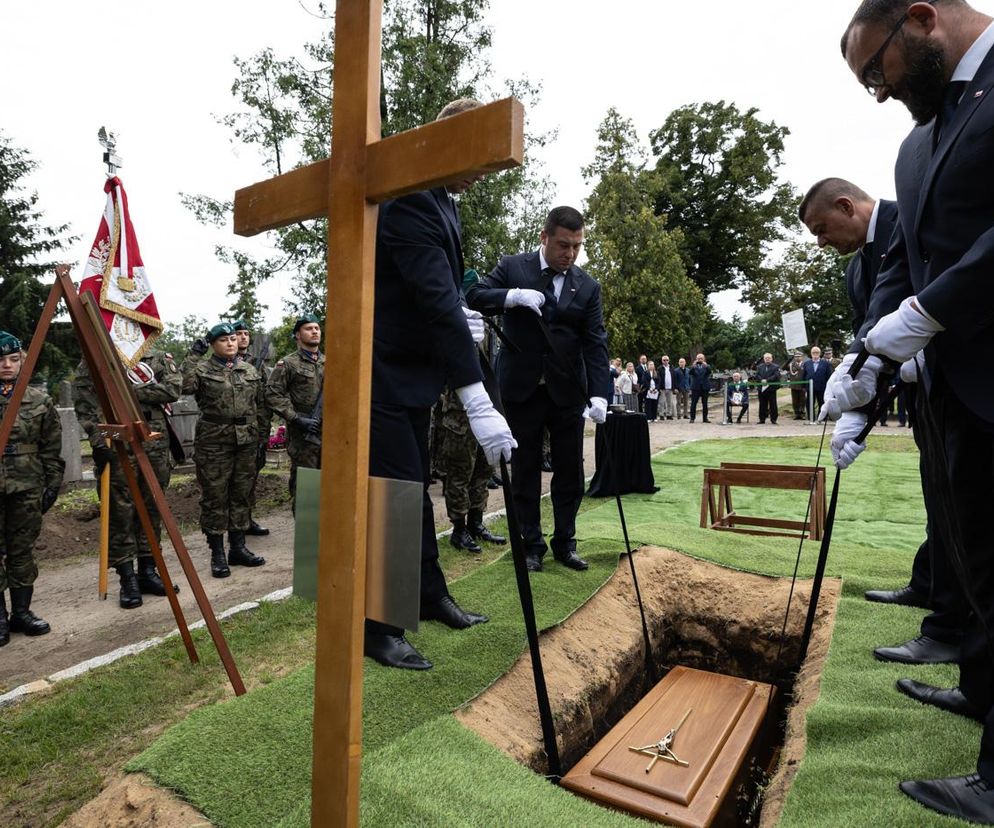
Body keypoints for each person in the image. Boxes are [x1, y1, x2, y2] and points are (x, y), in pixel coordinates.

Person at [836, 2, 994, 818]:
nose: (879, 92)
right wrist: (866, 365)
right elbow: (903, 265)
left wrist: (929, 311)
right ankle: (980, 690)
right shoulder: (916, 142)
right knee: (979, 565)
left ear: (923, 19)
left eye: (877, 72)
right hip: (954, 392)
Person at [366, 98, 515, 671]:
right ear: (447, 141)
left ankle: (428, 596)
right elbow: (430, 298)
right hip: (378, 376)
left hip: (411, 377)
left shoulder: (440, 201)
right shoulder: (410, 200)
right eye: (478, 157)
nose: (483, 172)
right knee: (391, 499)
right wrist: (475, 395)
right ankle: (376, 629)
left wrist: (460, 307)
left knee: (414, 491)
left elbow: (436, 291)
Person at [467, 204, 610, 574]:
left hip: (567, 392)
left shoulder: (588, 286)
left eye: (577, 246)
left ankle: (566, 541)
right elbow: (475, 295)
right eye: (563, 244)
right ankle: (532, 545)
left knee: (570, 472)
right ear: (544, 237)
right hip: (522, 388)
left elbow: (595, 343)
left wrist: (600, 393)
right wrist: (511, 296)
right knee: (525, 471)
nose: (570, 253)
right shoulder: (514, 267)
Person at [75, 351, 183, 608]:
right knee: (120, 512)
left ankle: (148, 571)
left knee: (152, 508)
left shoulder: (157, 357)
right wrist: (95, 436)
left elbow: (172, 390)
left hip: (154, 441)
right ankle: (127, 579)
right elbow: (85, 402)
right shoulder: (96, 353)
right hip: (116, 440)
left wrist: (124, 389)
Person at [182, 323, 268, 578]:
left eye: (233, 339)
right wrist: (192, 355)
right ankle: (217, 553)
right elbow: (183, 386)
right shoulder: (201, 369)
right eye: (223, 340)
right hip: (214, 442)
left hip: (246, 441)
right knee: (216, 496)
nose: (230, 343)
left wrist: (262, 436)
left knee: (241, 494)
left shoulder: (249, 370)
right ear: (212, 345)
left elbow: (260, 404)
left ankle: (238, 548)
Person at [0, 332, 63, 644]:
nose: (7, 365)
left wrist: (53, 483)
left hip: (27, 485)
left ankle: (21, 613)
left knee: (21, 550)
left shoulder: (38, 400)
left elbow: (51, 446)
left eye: (13, 359)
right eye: (0, 360)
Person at [265, 314, 324, 507]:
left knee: (330, 486)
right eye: (309, 328)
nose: (314, 331)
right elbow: (272, 394)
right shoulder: (288, 364)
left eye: (316, 328)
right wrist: (295, 418)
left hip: (330, 435)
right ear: (297, 335)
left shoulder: (330, 361)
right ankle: (305, 534)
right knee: (305, 489)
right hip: (304, 435)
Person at [439, 385, 507, 553]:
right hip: (459, 416)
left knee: (483, 472)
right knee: (459, 474)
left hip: (485, 412)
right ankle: (459, 530)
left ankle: (476, 524)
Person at [233, 319, 270, 537]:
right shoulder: (222, 362)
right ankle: (232, 523)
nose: (243, 337)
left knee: (250, 476)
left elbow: (264, 400)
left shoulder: (259, 363)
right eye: (239, 333)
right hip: (228, 431)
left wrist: (264, 433)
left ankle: (246, 519)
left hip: (253, 429)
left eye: (246, 333)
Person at [801, 346, 831, 416]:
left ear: (820, 353)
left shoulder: (825, 363)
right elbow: (804, 375)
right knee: (809, 403)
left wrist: (828, 386)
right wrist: (803, 386)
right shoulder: (806, 363)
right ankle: (811, 417)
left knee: (822, 402)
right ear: (811, 353)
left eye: (817, 352)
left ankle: (821, 417)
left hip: (822, 387)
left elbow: (828, 376)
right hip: (809, 387)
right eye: (813, 352)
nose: (815, 354)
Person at [754, 353, 781, 425]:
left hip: (771, 389)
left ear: (771, 359)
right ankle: (762, 419)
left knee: (773, 404)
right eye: (766, 358)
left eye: (769, 358)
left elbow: (776, 376)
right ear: (764, 359)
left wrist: (767, 380)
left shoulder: (776, 367)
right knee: (762, 404)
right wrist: (762, 380)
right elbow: (757, 375)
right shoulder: (759, 367)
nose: (767, 359)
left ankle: (773, 419)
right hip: (762, 389)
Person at [688, 353, 711, 423]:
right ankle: (692, 418)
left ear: (703, 359)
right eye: (698, 358)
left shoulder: (707, 366)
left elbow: (709, 372)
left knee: (705, 403)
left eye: (701, 358)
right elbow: (690, 372)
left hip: (705, 387)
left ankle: (705, 418)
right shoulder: (694, 366)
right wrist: (693, 366)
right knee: (693, 403)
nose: (700, 360)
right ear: (696, 359)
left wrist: (706, 366)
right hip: (696, 387)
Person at [788, 352, 808, 419]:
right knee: (795, 401)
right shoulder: (791, 364)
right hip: (794, 385)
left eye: (799, 356)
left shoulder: (805, 364)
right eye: (796, 356)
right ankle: (796, 414)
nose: (798, 358)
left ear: (802, 357)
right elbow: (782, 368)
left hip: (802, 385)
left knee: (802, 400)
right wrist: (789, 360)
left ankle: (802, 414)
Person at [657, 355, 676, 420]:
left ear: (669, 360)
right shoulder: (659, 368)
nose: (665, 361)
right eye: (664, 360)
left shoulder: (672, 368)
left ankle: (669, 414)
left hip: (670, 388)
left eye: (667, 360)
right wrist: (659, 388)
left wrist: (674, 387)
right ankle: (661, 414)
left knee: (669, 402)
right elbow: (658, 379)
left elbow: (674, 378)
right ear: (662, 361)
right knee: (661, 402)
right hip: (662, 388)